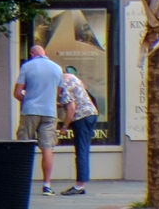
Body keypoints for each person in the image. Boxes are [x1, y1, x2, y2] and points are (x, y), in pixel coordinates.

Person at [14, 42, 64, 194]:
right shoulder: (57, 68)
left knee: (23, 146)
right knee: (47, 148)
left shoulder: (27, 66)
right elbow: (59, 92)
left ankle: (21, 182)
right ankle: (47, 184)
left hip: (30, 110)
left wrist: (27, 98)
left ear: (32, 54)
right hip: (49, 112)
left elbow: (17, 93)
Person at [57, 64, 98, 195]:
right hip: (90, 113)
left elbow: (71, 108)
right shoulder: (72, 78)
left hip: (81, 117)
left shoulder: (63, 84)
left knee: (81, 150)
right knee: (83, 149)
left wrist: (64, 126)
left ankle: (80, 185)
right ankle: (80, 183)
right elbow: (82, 90)